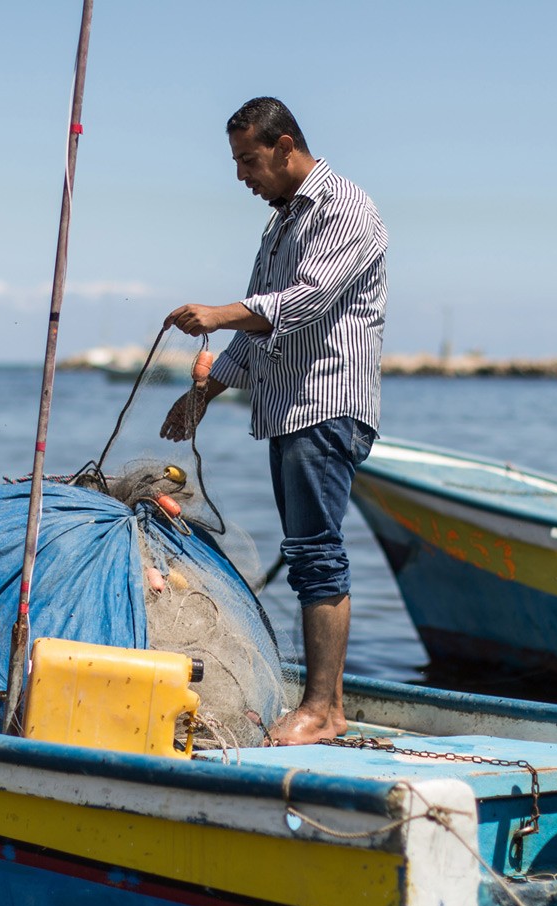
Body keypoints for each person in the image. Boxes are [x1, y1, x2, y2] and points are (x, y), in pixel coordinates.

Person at [159, 96, 387, 746]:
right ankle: (325, 703)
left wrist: (220, 312)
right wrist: (204, 395)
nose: (241, 177)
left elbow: (305, 303)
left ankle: (324, 710)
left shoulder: (343, 207)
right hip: (290, 407)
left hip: (327, 404)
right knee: (305, 552)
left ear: (285, 146)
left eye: (248, 161)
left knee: (316, 554)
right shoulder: (282, 223)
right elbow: (263, 330)